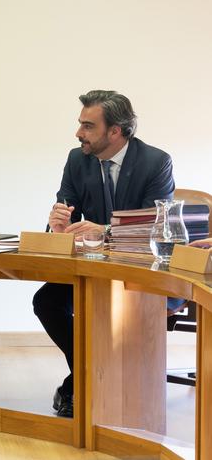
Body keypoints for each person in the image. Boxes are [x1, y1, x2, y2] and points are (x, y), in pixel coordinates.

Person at [33, 90, 174, 418]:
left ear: (115, 131)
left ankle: (85, 383)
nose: (78, 133)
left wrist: (105, 231)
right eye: (80, 125)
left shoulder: (156, 162)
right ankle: (86, 376)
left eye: (87, 126)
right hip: (93, 267)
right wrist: (58, 225)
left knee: (113, 313)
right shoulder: (76, 159)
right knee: (47, 301)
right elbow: (67, 212)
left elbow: (156, 227)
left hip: (141, 272)